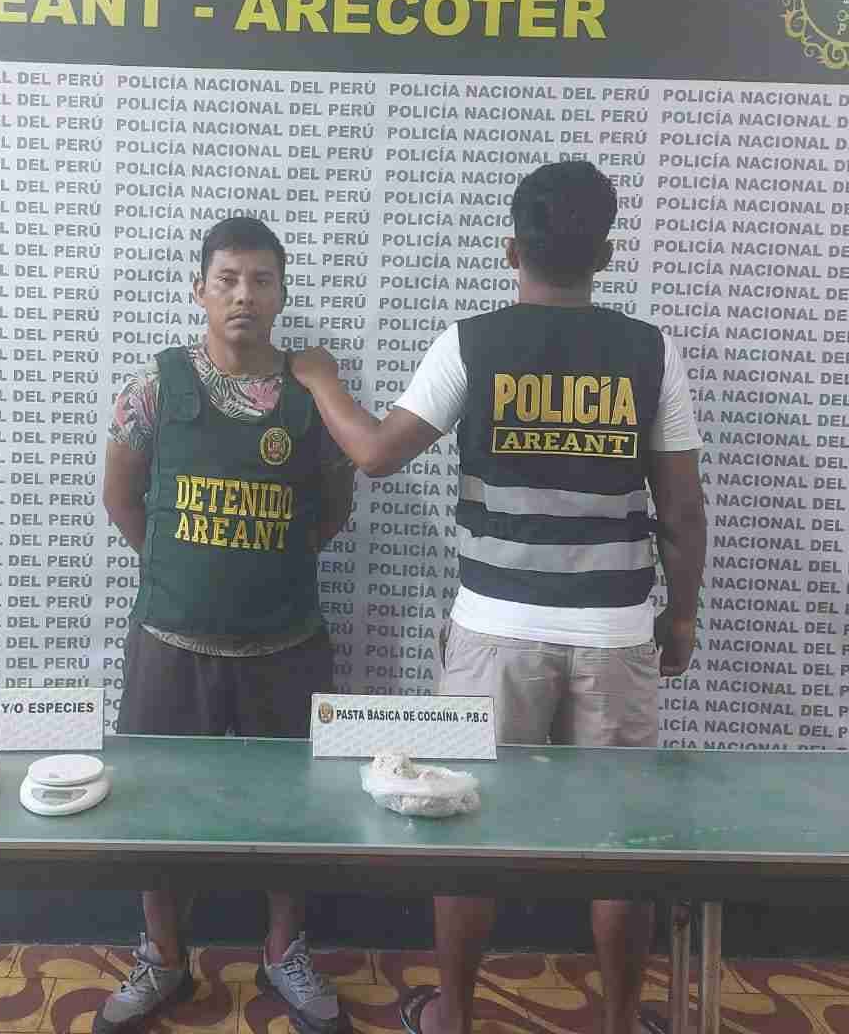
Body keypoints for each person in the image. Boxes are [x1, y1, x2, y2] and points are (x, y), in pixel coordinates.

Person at [289, 161, 707, 1034]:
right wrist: (681, 613)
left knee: (467, 832)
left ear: (512, 249)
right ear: (606, 254)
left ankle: (455, 1016)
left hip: (493, 632)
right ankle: (620, 1023)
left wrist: (322, 379)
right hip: (615, 633)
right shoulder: (650, 351)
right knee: (620, 845)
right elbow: (681, 508)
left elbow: (375, 454)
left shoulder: (470, 344)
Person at [97, 216, 357, 1034]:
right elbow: (121, 498)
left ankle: (284, 950)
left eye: (262, 280)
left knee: (294, 811)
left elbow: (335, 508)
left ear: (281, 293)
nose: (245, 295)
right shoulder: (155, 386)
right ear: (200, 290)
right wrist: (184, 572)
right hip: (171, 644)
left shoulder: (312, 395)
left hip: (286, 645)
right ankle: (163, 956)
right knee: (154, 808)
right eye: (229, 279)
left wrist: (261, 568)